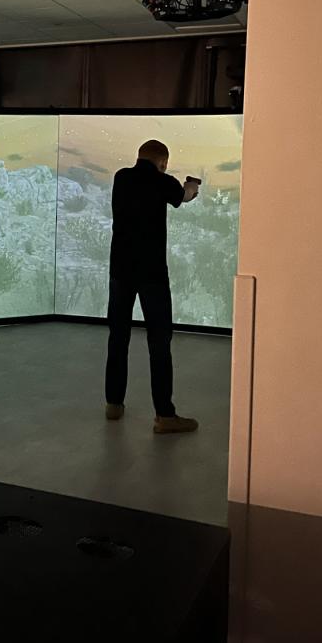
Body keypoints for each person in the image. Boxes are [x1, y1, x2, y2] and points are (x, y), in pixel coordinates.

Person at [104, 140, 201, 434]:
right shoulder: (163, 182)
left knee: (118, 337)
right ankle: (165, 415)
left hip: (120, 270)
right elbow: (183, 197)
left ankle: (114, 404)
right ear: (163, 162)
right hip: (152, 274)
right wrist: (192, 186)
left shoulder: (121, 177)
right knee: (159, 343)